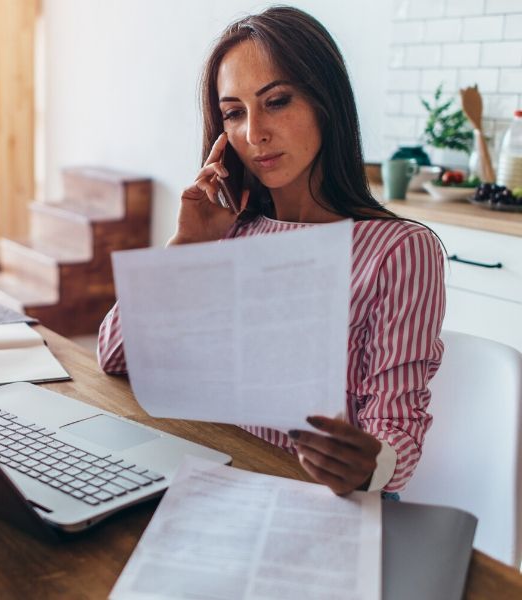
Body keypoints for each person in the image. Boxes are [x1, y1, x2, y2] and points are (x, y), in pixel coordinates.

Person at [97, 6, 445, 497]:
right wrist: (188, 247)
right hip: (218, 481)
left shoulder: (400, 251)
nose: (254, 132)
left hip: (318, 503)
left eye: (277, 101)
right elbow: (114, 356)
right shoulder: (229, 231)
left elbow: (396, 427)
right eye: (234, 113)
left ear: (326, 102)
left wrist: (368, 466)